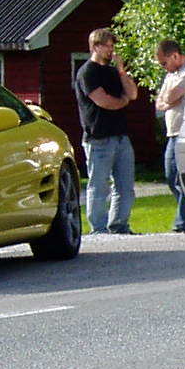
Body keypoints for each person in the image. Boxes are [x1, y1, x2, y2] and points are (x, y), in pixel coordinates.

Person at [76, 27, 139, 234]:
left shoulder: (113, 72)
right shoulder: (88, 72)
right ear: (95, 46)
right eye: (108, 46)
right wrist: (122, 101)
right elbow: (103, 101)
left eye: (113, 46)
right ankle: (99, 228)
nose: (112, 50)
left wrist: (121, 70)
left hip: (121, 136)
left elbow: (133, 93)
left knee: (125, 186)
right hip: (98, 137)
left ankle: (119, 225)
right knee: (99, 185)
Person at [153, 38, 185, 234]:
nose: (164, 68)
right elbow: (159, 102)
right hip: (172, 132)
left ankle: (183, 223)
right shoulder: (172, 74)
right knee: (171, 176)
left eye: (164, 63)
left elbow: (168, 97)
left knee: (183, 178)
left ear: (175, 55)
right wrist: (170, 100)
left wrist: (169, 100)